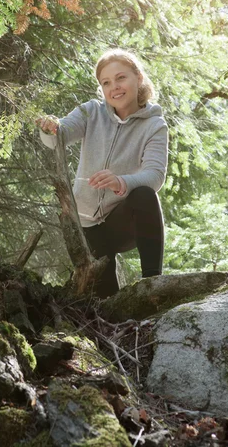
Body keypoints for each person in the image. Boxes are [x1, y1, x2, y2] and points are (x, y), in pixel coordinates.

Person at [36, 49, 168, 298]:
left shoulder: (154, 125)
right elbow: (59, 137)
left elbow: (155, 175)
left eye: (121, 78)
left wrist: (121, 182)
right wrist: (50, 128)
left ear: (138, 77)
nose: (114, 88)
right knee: (106, 303)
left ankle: (152, 283)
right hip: (85, 226)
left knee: (144, 196)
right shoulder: (91, 112)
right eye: (106, 82)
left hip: (121, 222)